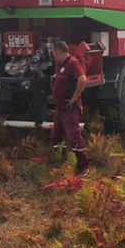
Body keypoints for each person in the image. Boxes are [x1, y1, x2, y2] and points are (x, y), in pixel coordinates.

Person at [51, 41, 89, 175]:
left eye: (53, 52)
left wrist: (74, 97)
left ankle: (83, 167)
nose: (52, 55)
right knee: (56, 136)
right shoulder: (60, 64)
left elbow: (83, 79)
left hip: (69, 109)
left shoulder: (72, 62)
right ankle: (61, 163)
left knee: (74, 137)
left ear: (57, 51)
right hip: (60, 108)